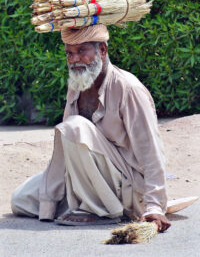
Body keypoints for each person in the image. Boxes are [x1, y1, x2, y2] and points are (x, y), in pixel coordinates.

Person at [11, 24, 171, 232]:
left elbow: (151, 151)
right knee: (21, 200)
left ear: (102, 50)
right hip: (90, 178)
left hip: (126, 185)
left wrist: (155, 206)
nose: (74, 59)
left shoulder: (128, 88)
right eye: (69, 53)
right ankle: (85, 203)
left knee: (74, 126)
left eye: (81, 51)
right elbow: (66, 148)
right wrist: (48, 201)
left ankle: (98, 210)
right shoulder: (77, 83)